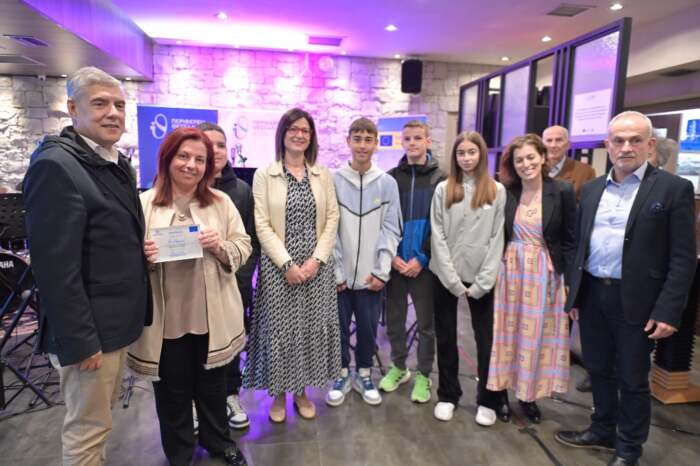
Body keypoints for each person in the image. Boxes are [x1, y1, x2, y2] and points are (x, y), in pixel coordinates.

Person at [22, 66, 152, 466]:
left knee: (99, 424)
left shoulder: (111, 161)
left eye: (119, 105)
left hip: (112, 324)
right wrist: (81, 341)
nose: (113, 113)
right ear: (73, 108)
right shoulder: (57, 166)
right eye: (100, 103)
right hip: (90, 333)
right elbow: (55, 269)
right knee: (87, 432)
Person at [555, 112, 696, 466]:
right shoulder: (591, 189)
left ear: (650, 145)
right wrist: (575, 292)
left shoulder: (673, 189)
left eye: (635, 140)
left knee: (632, 379)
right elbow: (578, 245)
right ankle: (602, 428)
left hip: (638, 302)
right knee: (598, 369)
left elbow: (683, 258)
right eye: (618, 140)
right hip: (593, 295)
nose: (626, 147)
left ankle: (629, 448)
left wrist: (668, 310)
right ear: (608, 145)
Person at [127, 127, 250, 466]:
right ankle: (179, 453)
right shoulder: (143, 204)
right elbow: (124, 259)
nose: (191, 165)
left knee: (213, 387)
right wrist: (143, 256)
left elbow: (243, 245)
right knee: (172, 392)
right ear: (167, 158)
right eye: (183, 156)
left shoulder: (220, 203)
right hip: (166, 319)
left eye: (199, 159)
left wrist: (220, 246)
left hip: (211, 314)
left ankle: (218, 442)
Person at [243, 107, 341, 422]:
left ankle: (301, 391)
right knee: (280, 332)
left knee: (309, 329)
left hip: (317, 267)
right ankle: (278, 394)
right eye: (293, 129)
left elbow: (332, 218)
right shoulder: (265, 174)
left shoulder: (322, 174)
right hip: (278, 269)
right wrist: (287, 264)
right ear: (283, 133)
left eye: (305, 130)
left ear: (311, 137)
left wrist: (316, 260)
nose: (299, 135)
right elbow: (261, 223)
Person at [486, 134, 575, 424]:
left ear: (543, 157)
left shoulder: (561, 190)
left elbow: (570, 239)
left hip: (544, 274)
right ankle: (500, 393)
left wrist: (570, 280)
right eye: (519, 160)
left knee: (535, 337)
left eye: (530, 157)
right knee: (505, 333)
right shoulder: (506, 191)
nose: (525, 164)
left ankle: (527, 395)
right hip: (509, 270)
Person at [429, 131, 507, 425]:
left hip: (482, 276)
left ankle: (488, 399)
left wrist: (484, 282)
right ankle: (448, 395)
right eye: (461, 153)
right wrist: (450, 278)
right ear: (455, 157)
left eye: (471, 152)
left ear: (481, 154)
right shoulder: (444, 189)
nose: (466, 158)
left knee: (485, 339)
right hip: (444, 274)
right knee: (446, 336)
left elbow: (497, 237)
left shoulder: (497, 190)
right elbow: (437, 234)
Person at [326, 117, 401, 407]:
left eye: (368, 140)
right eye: (357, 139)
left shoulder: (387, 184)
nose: (362, 145)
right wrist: (336, 271)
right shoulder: (333, 180)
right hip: (340, 278)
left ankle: (365, 374)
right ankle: (342, 374)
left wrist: (382, 271)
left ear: (376, 144)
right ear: (348, 141)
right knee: (339, 328)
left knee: (369, 329)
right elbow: (328, 228)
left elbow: (391, 229)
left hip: (371, 278)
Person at [197, 122, 259, 430]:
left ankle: (230, 395)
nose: (215, 151)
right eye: (208, 145)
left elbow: (250, 242)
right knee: (195, 345)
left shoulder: (242, 191)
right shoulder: (182, 188)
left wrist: (240, 280)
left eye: (221, 145)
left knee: (233, 342)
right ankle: (196, 402)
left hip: (232, 285)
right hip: (194, 290)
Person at [379, 120, 446, 403]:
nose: (413, 143)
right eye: (407, 138)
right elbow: (383, 221)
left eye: (418, 138)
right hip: (396, 264)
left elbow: (441, 225)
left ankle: (423, 375)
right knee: (394, 320)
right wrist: (392, 256)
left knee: (426, 325)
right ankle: (399, 367)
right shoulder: (391, 178)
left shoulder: (441, 179)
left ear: (428, 141)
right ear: (402, 142)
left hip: (424, 266)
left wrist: (422, 257)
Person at [543, 125, 595, 200]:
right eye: (549, 140)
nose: (553, 145)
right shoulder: (534, 169)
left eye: (559, 140)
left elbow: (588, 203)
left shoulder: (585, 172)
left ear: (568, 145)